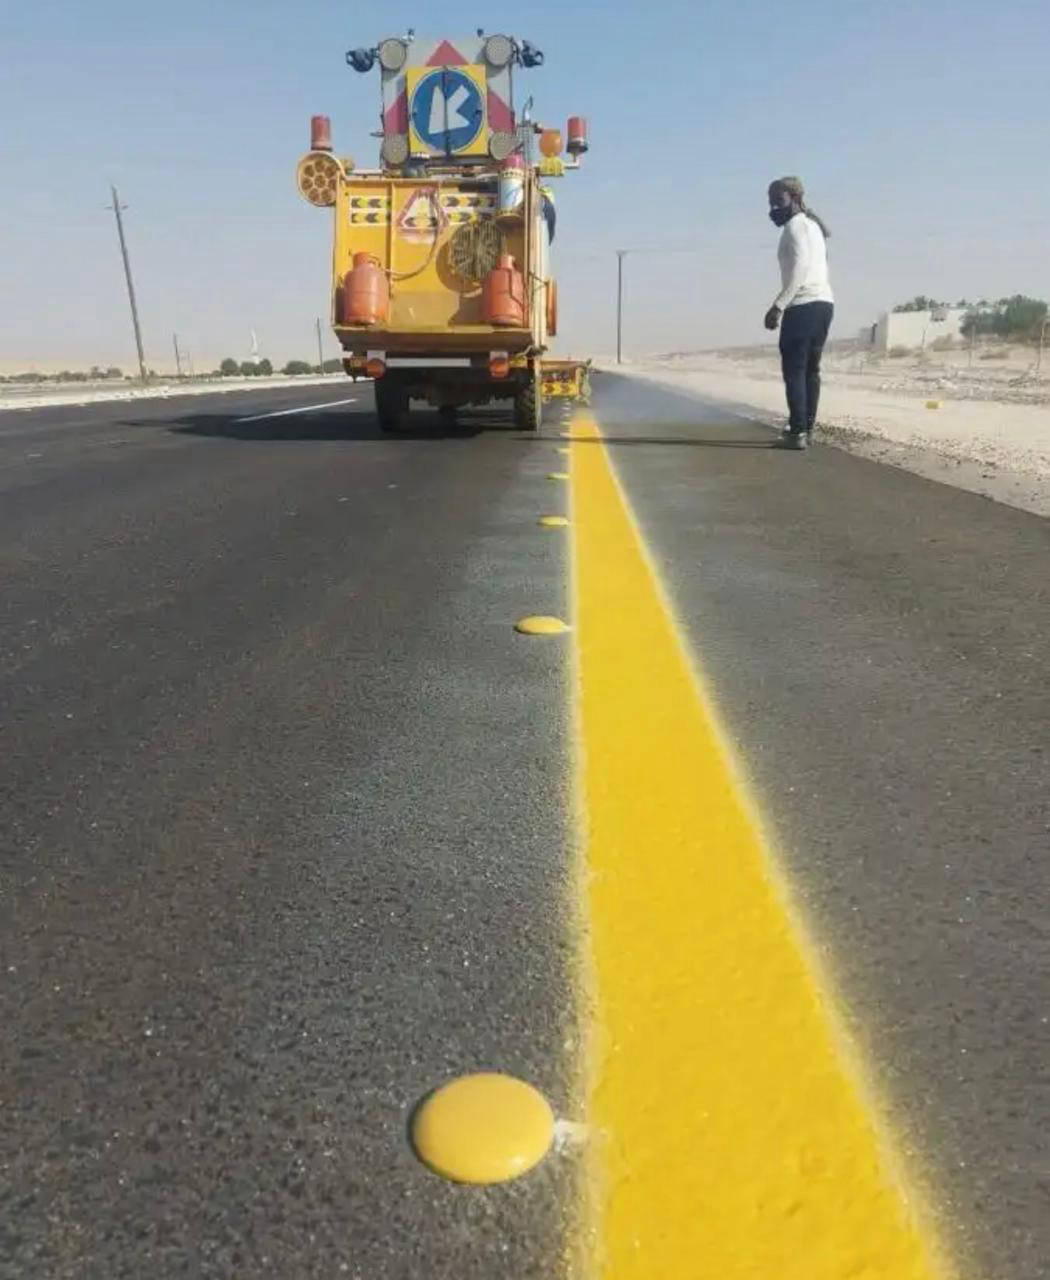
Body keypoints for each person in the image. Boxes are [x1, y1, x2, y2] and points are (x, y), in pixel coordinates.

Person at [764, 177, 834, 450]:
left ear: (795, 199)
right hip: (824, 304)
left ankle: (797, 431)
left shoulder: (795, 227)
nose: (773, 209)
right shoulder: (813, 226)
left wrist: (779, 305)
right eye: (771, 203)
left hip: (803, 305)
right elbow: (823, 253)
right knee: (810, 371)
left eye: (779, 201)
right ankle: (806, 427)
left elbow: (801, 267)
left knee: (795, 370)